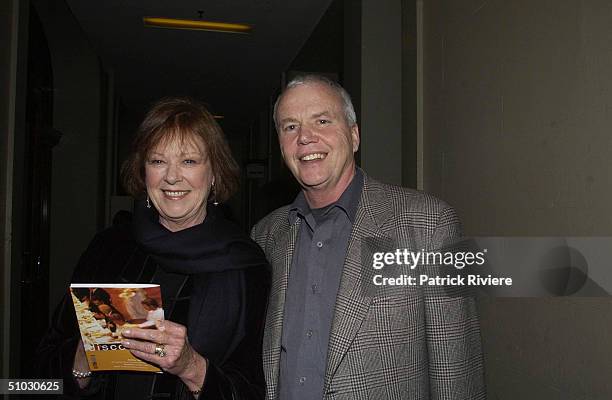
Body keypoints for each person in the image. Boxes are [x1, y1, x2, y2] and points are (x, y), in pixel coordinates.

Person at [251, 75, 486, 399]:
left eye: (322, 120)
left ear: (354, 135)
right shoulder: (265, 236)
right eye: (290, 127)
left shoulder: (430, 224)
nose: (305, 137)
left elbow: (455, 370)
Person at [37, 97, 269, 399]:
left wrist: (192, 367)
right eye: (158, 161)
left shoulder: (246, 266)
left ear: (213, 174)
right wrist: (82, 360)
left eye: (189, 161)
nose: (172, 176)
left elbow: (254, 389)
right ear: (143, 172)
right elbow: (41, 372)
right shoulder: (108, 248)